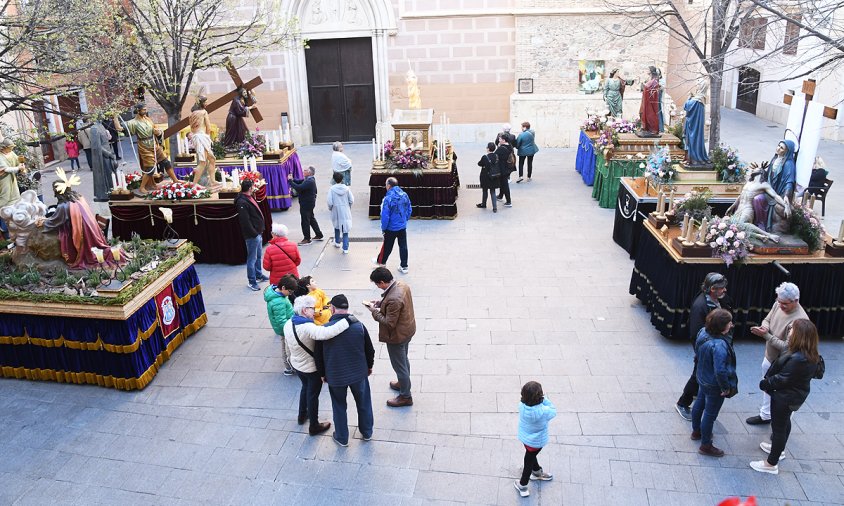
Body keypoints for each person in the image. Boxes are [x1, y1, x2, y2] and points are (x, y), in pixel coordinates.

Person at [751, 319, 823, 474]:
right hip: (791, 396)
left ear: (799, 334)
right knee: (784, 424)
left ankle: (771, 464)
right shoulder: (806, 352)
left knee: (778, 429)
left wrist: (765, 384)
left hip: (784, 398)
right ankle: (780, 449)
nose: (788, 331)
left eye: (791, 329)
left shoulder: (799, 358)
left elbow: (782, 379)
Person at [283, 294, 353, 436]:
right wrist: (347, 321)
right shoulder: (307, 326)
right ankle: (314, 425)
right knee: (313, 394)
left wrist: (291, 361)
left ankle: (302, 415)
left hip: (297, 364)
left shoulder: (288, 323)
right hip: (310, 368)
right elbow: (326, 333)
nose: (314, 311)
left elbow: (287, 347)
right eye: (312, 309)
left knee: (305, 388)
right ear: (304, 310)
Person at [315, 294, 375, 446]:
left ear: (333, 309)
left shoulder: (324, 330)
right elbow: (370, 349)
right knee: (364, 402)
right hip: (359, 373)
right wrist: (369, 366)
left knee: (339, 405)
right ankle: (367, 432)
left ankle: (342, 437)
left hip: (336, 376)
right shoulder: (359, 325)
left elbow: (319, 356)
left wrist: (322, 374)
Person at [747, 282, 809, 425]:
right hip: (770, 358)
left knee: (783, 399)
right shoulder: (778, 304)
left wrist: (766, 336)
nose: (780, 306)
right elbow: (767, 319)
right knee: (767, 389)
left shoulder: (800, 321)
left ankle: (780, 429)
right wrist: (765, 327)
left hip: (785, 366)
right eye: (778, 302)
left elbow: (788, 348)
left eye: (784, 304)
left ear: (796, 301)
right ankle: (765, 415)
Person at [676, 273, 731, 421]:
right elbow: (696, 334)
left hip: (715, 345)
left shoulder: (718, 300)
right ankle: (683, 403)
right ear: (713, 289)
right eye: (722, 288)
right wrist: (703, 352)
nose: (725, 290)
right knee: (697, 375)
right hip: (706, 349)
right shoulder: (700, 306)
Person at [365, 267, 416, 407]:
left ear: (382, 282)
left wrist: (374, 311)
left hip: (397, 336)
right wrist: (381, 304)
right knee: (403, 359)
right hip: (407, 330)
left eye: (377, 284)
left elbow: (389, 322)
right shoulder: (401, 285)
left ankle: (406, 396)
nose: (377, 287)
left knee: (400, 365)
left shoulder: (394, 298)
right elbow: (394, 305)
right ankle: (402, 383)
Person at [691, 309, 738, 457]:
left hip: (702, 377)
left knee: (699, 403)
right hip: (714, 385)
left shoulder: (702, 332)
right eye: (729, 322)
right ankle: (706, 445)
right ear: (722, 327)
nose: (731, 325)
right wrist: (725, 387)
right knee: (710, 415)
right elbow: (720, 371)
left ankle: (696, 431)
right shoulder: (719, 346)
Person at [38, 178, 114, 268]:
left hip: (78, 233)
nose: (54, 195)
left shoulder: (64, 206)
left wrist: (43, 222)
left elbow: (55, 221)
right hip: (89, 230)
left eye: (55, 191)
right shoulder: (78, 197)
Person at [115, 103, 178, 193]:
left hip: (154, 144)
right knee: (150, 168)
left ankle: (175, 180)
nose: (145, 111)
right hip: (144, 146)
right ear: (138, 110)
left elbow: (157, 129)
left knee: (166, 162)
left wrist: (158, 133)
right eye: (143, 110)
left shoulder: (148, 119)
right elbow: (119, 128)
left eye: (145, 109)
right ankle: (142, 187)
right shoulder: (133, 122)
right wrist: (115, 116)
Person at [514, 381, 556, 498]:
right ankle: (522, 485)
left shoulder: (521, 406)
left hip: (525, 438)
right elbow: (553, 410)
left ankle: (537, 471)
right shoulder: (544, 411)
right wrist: (545, 399)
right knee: (528, 462)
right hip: (537, 442)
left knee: (531, 456)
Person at [753, 140, 797, 232]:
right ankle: (757, 222)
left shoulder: (789, 164)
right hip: (768, 189)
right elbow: (769, 175)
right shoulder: (774, 159)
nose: (778, 148)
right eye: (778, 146)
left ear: (787, 151)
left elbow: (789, 182)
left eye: (782, 148)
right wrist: (761, 171)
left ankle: (761, 224)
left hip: (777, 193)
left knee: (757, 199)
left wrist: (786, 196)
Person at [234, 179, 268, 291]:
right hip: (252, 235)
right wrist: (254, 234)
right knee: (252, 259)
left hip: (258, 233)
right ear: (249, 188)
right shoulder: (242, 202)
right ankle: (252, 281)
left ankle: (259, 275)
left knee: (258, 256)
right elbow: (245, 221)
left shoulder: (249, 197)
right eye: (253, 187)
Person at [374, 177, 412, 273]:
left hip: (391, 228)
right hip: (402, 226)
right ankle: (404, 266)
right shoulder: (404, 195)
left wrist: (384, 228)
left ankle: (382, 263)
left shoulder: (388, 199)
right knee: (403, 246)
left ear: (389, 186)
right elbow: (409, 209)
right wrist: (404, 220)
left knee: (387, 246)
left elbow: (385, 216)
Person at [264, 275, 298, 376]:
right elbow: (281, 320)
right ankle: (288, 367)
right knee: (286, 347)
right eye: (290, 291)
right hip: (285, 329)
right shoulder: (279, 301)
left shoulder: (279, 295)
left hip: (286, 326)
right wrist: (289, 331)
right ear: (283, 288)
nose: (290, 294)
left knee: (287, 346)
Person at [288, 166, 323, 245]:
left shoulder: (309, 181)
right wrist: (293, 179)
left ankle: (307, 238)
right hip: (309, 203)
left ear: (309, 173)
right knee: (311, 219)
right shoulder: (308, 179)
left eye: (305, 170)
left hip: (306, 204)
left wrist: (290, 181)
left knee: (305, 221)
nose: (303, 171)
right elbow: (299, 181)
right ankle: (319, 234)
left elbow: (299, 187)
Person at [189, 96, 218, 190]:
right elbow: (208, 127)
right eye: (205, 102)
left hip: (196, 137)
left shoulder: (192, 114)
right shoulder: (203, 112)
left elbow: (192, 129)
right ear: (201, 103)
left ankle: (213, 181)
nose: (207, 104)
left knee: (212, 159)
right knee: (203, 162)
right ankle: (194, 184)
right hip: (202, 137)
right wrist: (208, 137)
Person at [684, 78, 710, 165]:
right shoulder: (702, 99)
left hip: (692, 126)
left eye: (699, 85)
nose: (697, 86)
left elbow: (687, 106)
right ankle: (696, 157)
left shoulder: (696, 100)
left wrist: (688, 98)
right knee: (698, 139)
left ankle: (693, 158)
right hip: (698, 126)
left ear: (701, 87)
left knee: (692, 140)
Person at [0, 139, 22, 240]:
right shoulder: (0, 156)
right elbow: (5, 169)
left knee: (15, 195)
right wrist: (18, 168)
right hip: (3, 179)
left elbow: (18, 160)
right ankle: (5, 228)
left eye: (12, 147)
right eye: (10, 147)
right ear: (4, 147)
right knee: (5, 196)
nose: (12, 149)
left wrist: (22, 165)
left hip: (12, 179)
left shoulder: (11, 153)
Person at [327, 171, 354, 253]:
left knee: (337, 226)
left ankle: (337, 242)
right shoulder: (347, 189)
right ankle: (345, 247)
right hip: (345, 209)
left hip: (336, 209)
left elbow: (329, 202)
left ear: (334, 179)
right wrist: (348, 206)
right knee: (345, 229)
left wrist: (331, 208)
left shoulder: (332, 189)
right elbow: (351, 200)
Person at [90, 121, 116, 202]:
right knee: (107, 174)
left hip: (108, 153)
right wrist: (108, 153)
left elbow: (106, 142)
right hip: (103, 156)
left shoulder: (101, 125)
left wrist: (111, 152)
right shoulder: (94, 128)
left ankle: (112, 191)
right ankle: (106, 193)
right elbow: (97, 146)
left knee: (111, 174)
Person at [476, 142, 499, 212]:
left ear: (488, 149)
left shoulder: (485, 157)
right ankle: (495, 207)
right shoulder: (496, 156)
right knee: (493, 191)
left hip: (486, 176)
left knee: (485, 190)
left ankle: (484, 204)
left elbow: (479, 163)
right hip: (494, 176)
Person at [639, 66, 661, 136]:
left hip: (651, 102)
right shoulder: (650, 79)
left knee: (650, 115)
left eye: (648, 69)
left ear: (651, 71)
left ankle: (653, 130)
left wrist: (644, 85)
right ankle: (647, 128)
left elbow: (651, 88)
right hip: (646, 101)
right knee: (643, 113)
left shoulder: (654, 80)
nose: (647, 70)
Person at [494, 134, 514, 207]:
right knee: (502, 183)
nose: (498, 140)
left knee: (504, 184)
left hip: (503, 169)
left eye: (500, 139)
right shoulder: (509, 146)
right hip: (508, 168)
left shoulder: (501, 149)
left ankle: (509, 201)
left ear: (503, 140)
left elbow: (494, 156)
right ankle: (500, 196)